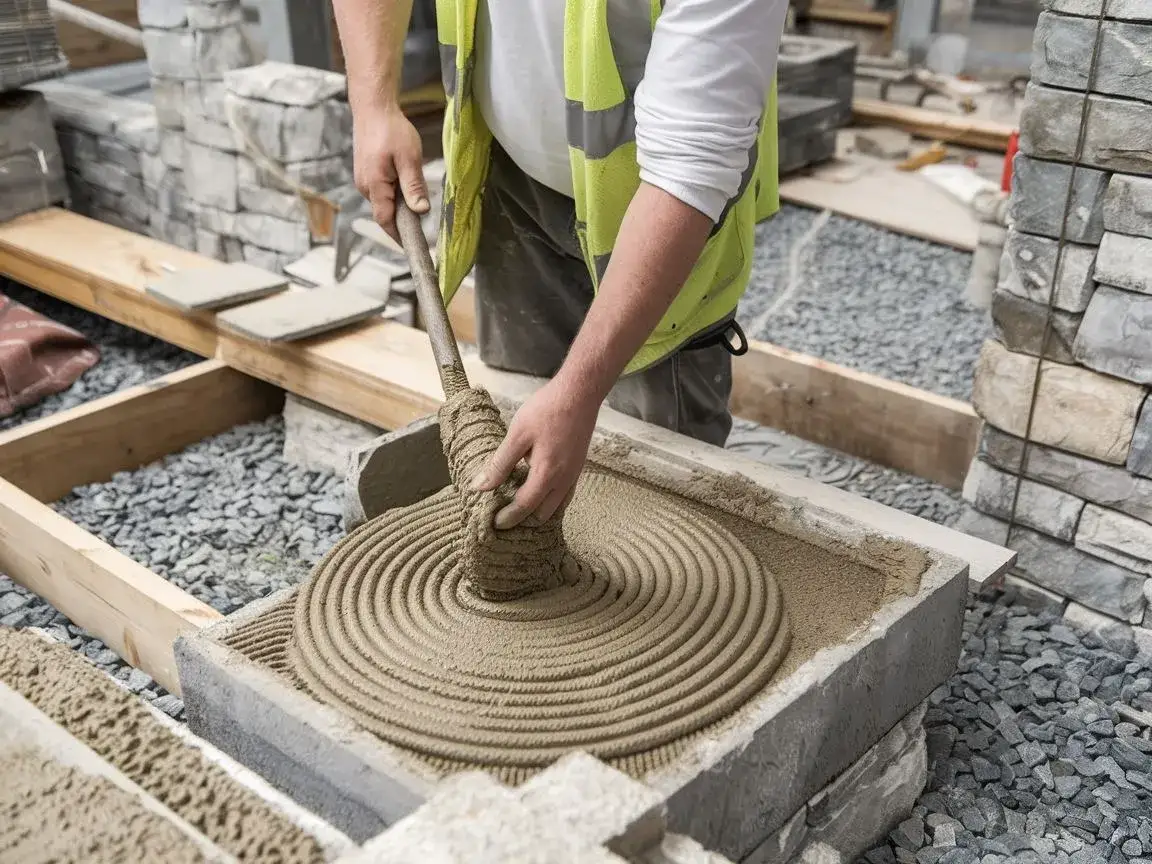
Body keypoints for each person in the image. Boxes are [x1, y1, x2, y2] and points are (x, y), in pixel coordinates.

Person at [333, 0, 788, 531]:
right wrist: (373, 104)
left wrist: (578, 393)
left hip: (662, 213)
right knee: (526, 428)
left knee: (666, 503)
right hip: (513, 175)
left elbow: (691, 164)